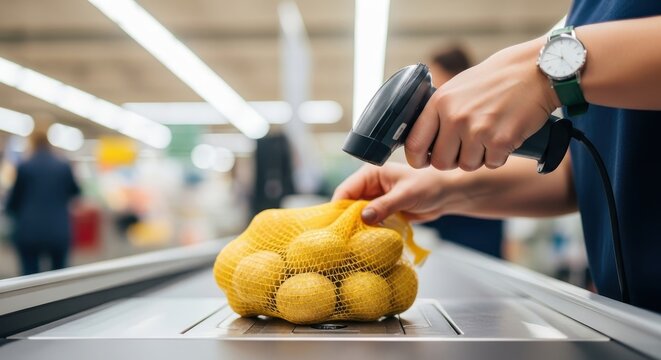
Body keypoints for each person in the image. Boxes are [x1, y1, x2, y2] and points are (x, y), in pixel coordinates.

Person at [334, 4, 661, 312]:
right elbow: (587, 170)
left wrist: (545, 70)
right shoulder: (587, 6)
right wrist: (444, 188)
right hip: (630, 318)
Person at [424, 45, 504, 258]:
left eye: (437, 82)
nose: (434, 92)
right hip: (452, 245)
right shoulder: (448, 131)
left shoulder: (486, 125)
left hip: (478, 244)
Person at [5, 130, 81, 275]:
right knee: (58, 278)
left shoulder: (24, 166)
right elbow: (75, 193)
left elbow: (14, 202)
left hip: (29, 230)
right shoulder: (63, 166)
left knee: (29, 280)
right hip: (58, 230)